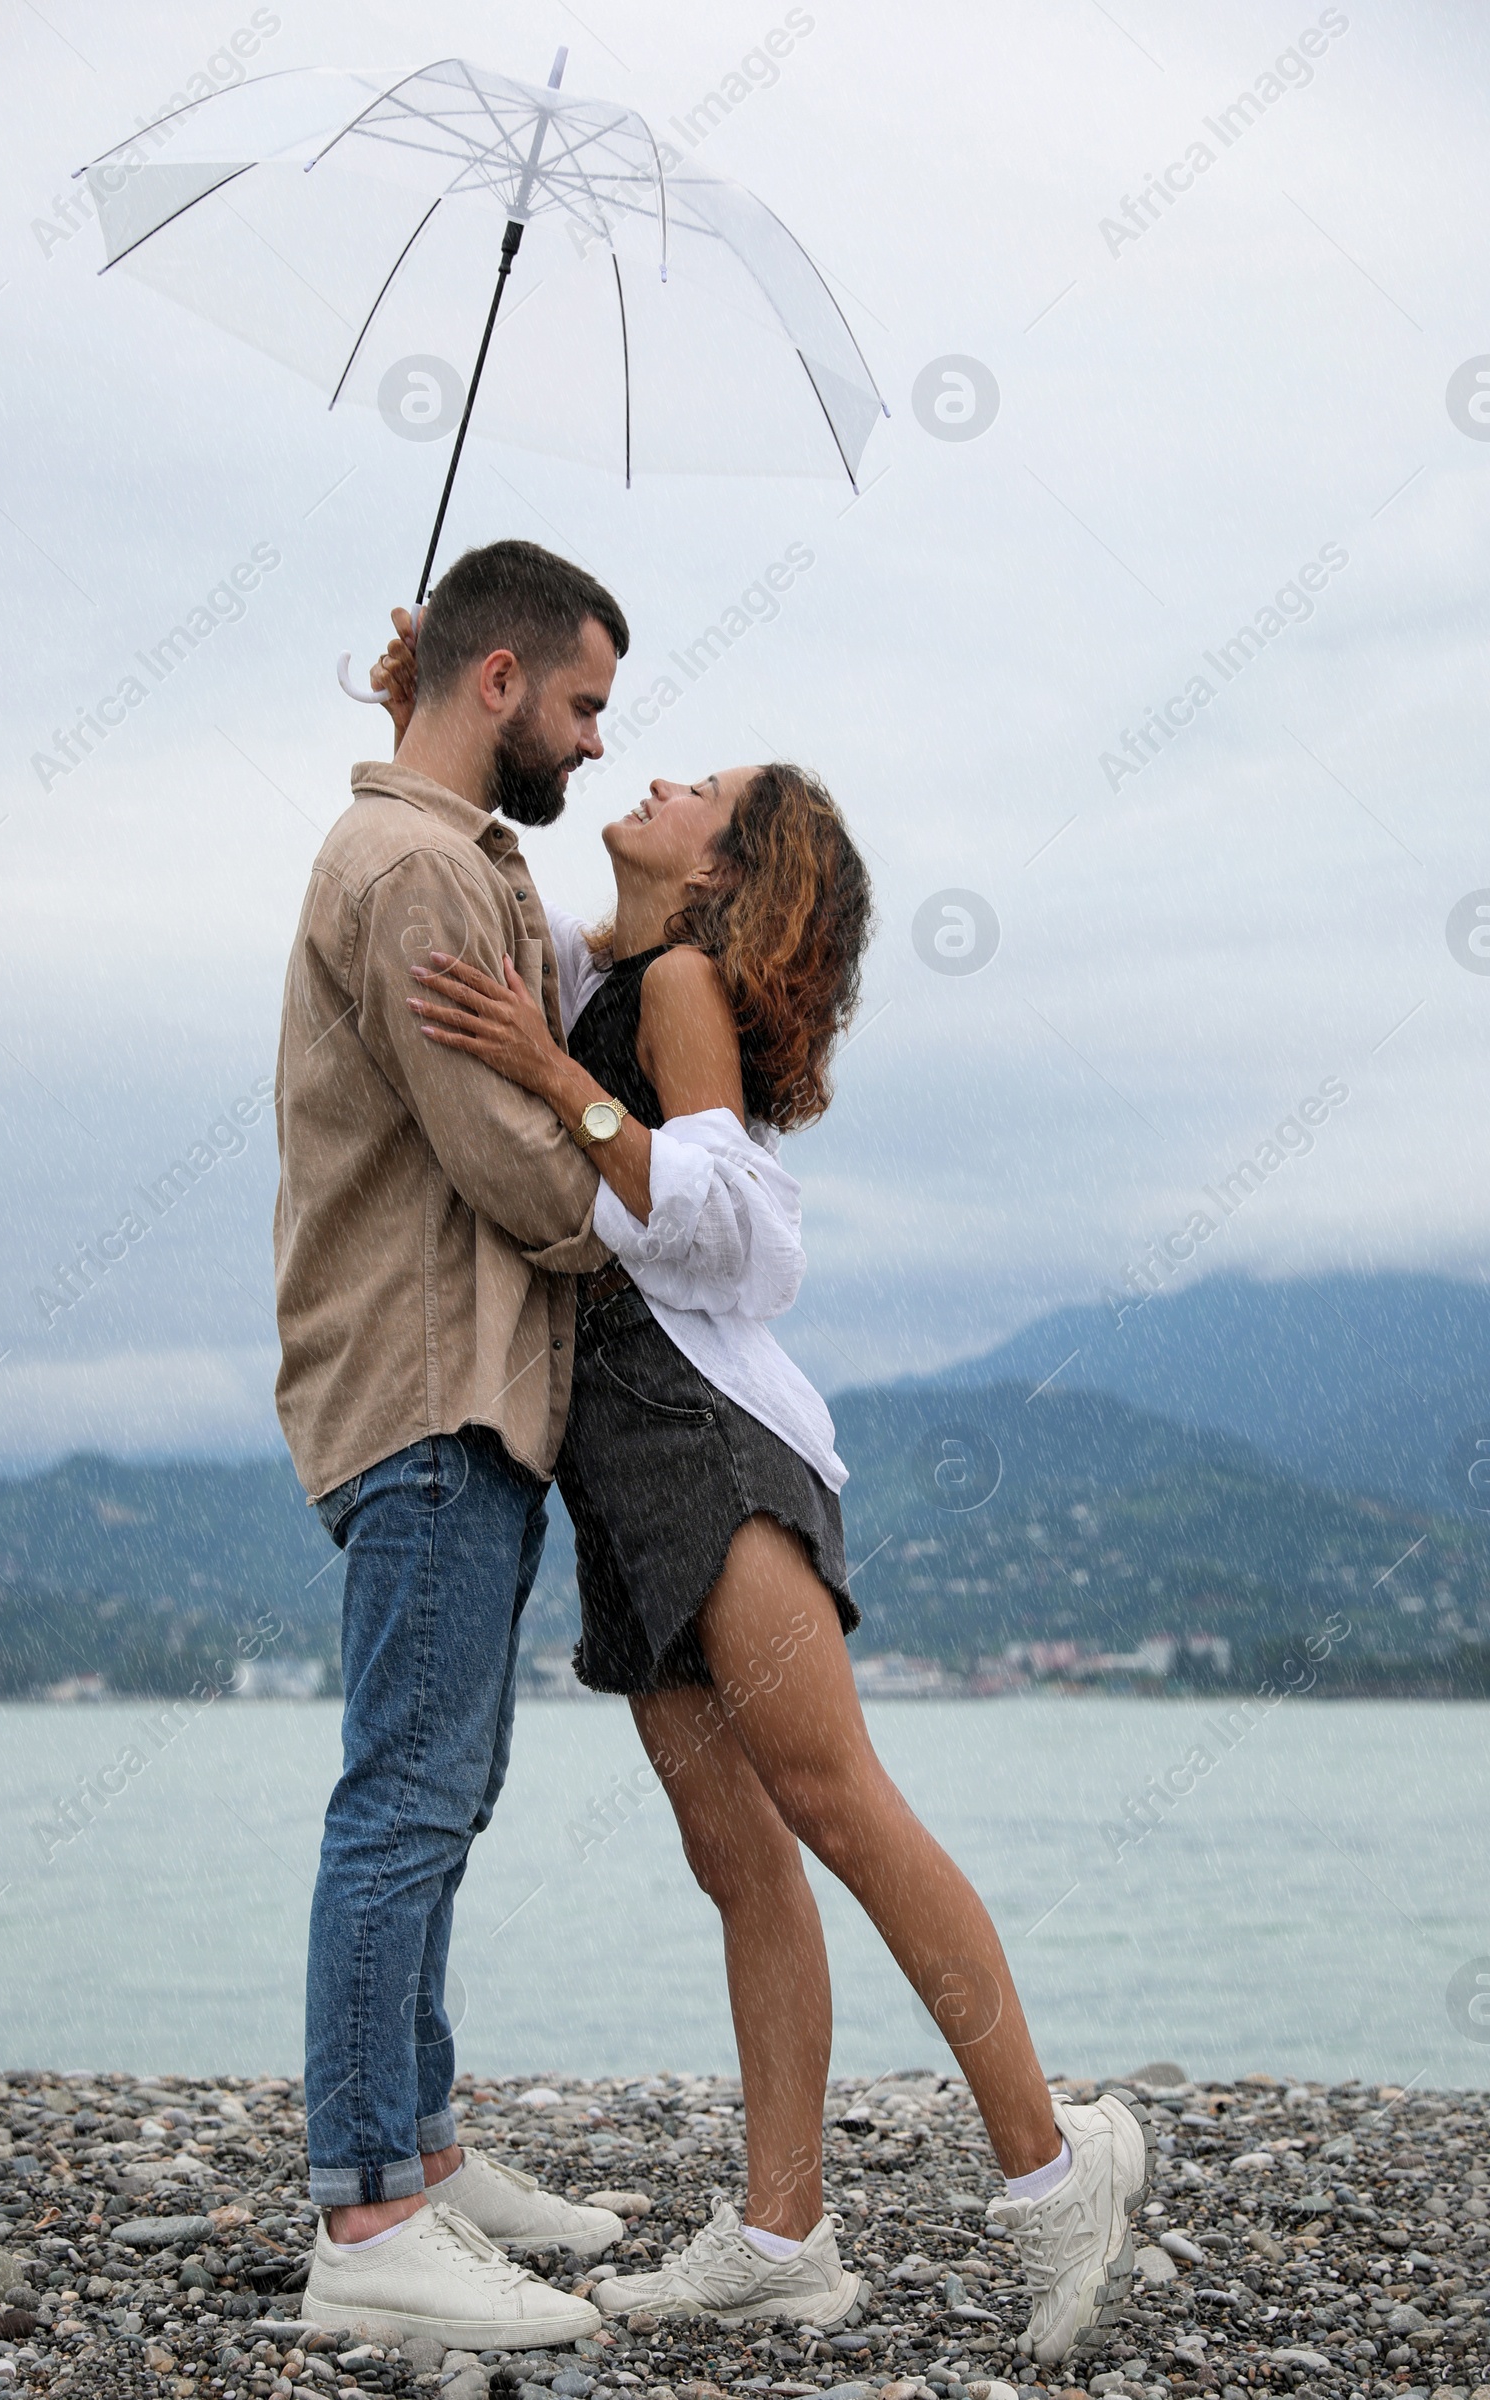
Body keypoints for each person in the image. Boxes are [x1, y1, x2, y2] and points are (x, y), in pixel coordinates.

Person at [398, 712, 1152, 2365]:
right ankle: (781, 2237)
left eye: (703, 793)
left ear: (726, 871)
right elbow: (483, 865)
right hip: (623, 1470)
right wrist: (418, 707)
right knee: (740, 1859)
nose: (657, 778)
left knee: (836, 1805)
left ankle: (1050, 2168)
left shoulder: (671, 990)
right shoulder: (606, 961)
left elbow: (741, 1233)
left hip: (706, 1445)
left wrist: (544, 1075)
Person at [274, 541, 646, 2349]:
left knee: (448, 1787)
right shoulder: (414, 864)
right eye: (579, 703)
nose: (592, 742)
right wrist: (630, 1208)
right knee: (406, 1797)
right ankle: (369, 2223)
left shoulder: (446, 853)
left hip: (468, 1385)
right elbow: (502, 1154)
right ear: (496, 686)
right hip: (427, 1381)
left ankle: (418, 2139)